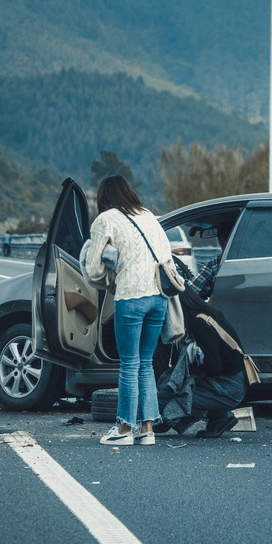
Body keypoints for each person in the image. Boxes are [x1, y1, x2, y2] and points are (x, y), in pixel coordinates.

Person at [85, 175, 171, 446]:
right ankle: (147, 430)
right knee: (146, 363)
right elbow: (166, 254)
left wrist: (109, 262)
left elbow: (93, 269)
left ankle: (123, 430)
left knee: (129, 364)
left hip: (132, 298)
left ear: (104, 198)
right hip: (159, 298)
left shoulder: (105, 219)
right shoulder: (149, 215)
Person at [156, 286, 247, 438]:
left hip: (229, 388)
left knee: (164, 399)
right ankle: (218, 417)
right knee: (180, 387)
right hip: (236, 381)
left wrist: (189, 367)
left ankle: (219, 416)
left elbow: (214, 367)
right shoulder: (209, 315)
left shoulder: (200, 324)